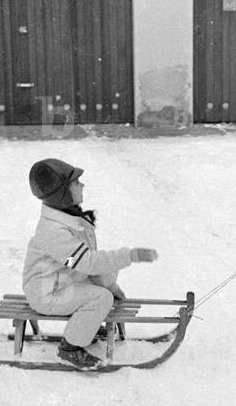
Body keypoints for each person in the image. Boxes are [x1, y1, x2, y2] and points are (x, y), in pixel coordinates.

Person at [23, 158, 158, 368]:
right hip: (46, 292)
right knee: (100, 298)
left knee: (104, 285)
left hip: (62, 282)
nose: (82, 185)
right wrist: (130, 256)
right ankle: (70, 348)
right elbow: (88, 263)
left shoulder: (70, 220)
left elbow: (89, 263)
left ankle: (86, 324)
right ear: (63, 194)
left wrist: (111, 285)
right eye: (76, 183)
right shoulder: (53, 231)